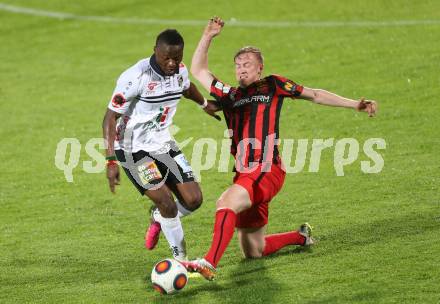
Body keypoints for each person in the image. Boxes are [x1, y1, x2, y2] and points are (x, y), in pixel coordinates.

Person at [182, 17, 377, 280]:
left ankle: (208, 262)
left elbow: (315, 94)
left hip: (266, 169)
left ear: (260, 68)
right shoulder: (229, 96)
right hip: (245, 174)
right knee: (253, 250)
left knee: (225, 202)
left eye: (247, 64)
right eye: (238, 65)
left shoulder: (272, 85)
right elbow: (199, 70)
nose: (242, 69)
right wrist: (208, 35)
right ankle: (301, 237)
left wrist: (354, 104)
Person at [102, 29, 220, 261]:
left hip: (163, 144)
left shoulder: (179, 71)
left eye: (176, 58)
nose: (171, 63)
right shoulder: (135, 77)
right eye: (166, 57)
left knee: (193, 200)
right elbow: (109, 118)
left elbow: (186, 88)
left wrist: (205, 104)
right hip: (132, 150)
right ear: (155, 51)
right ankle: (181, 260)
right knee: (168, 204)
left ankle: (157, 218)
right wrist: (110, 160)